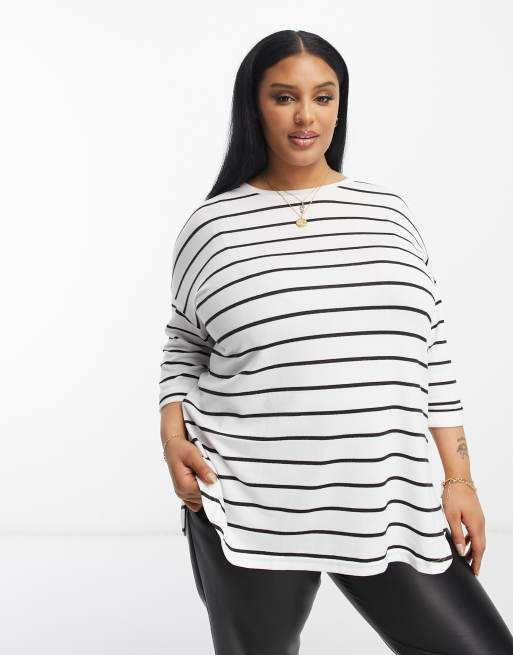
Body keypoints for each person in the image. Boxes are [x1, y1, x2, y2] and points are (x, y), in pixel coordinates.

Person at [158, 29, 513, 654]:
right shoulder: (212, 226)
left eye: (322, 97)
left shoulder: (389, 215)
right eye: (284, 97)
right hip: (248, 495)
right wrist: (171, 436)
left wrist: (460, 479)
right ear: (253, 107)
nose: (306, 116)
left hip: (386, 498)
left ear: (339, 106)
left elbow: (431, 350)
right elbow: (184, 341)